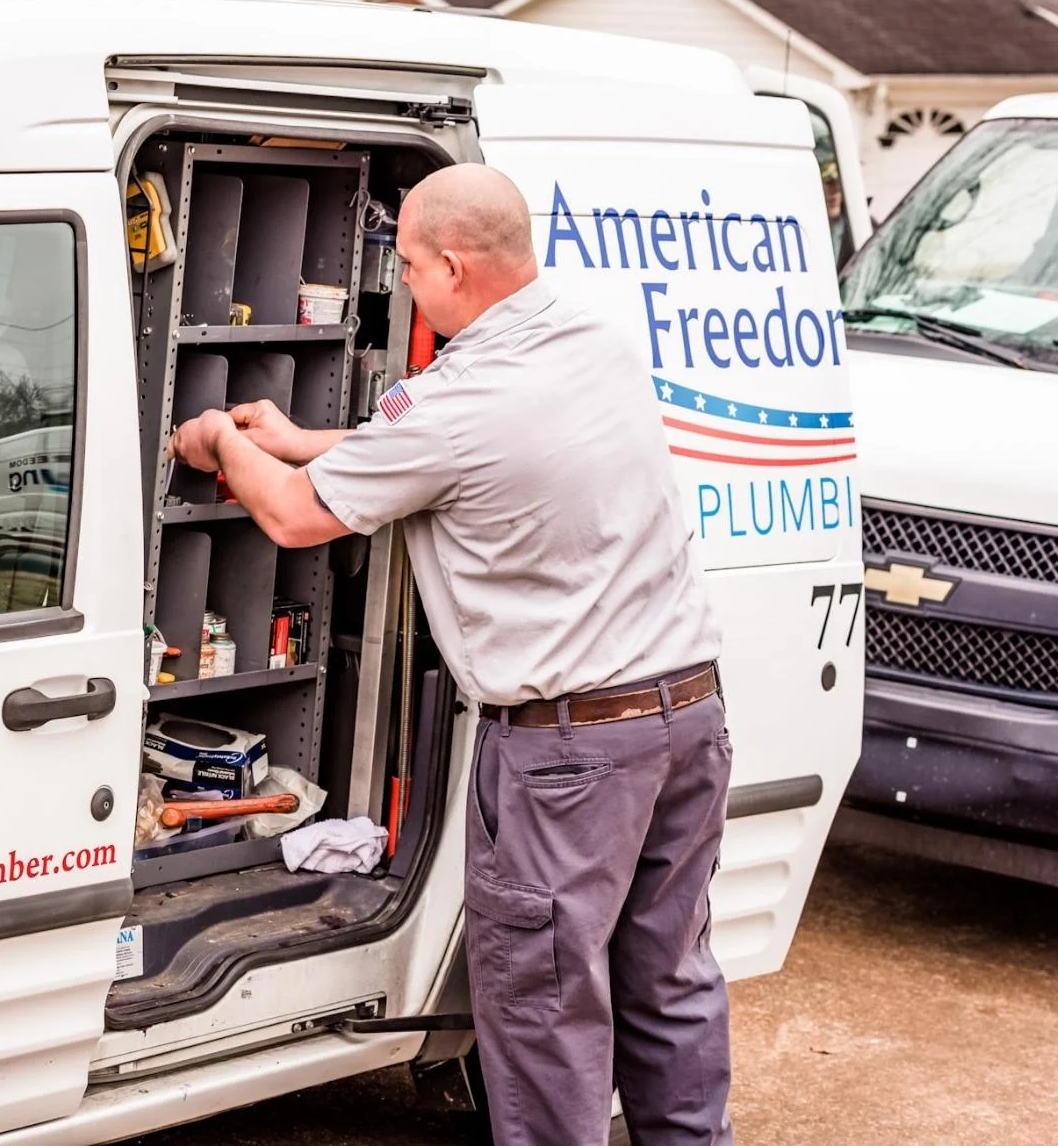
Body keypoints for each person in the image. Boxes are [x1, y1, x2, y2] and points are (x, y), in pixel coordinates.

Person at [169, 163, 734, 1145]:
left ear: (457, 267)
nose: (410, 282)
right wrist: (306, 436)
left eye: (414, 264)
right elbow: (460, 448)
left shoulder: (462, 402)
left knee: (546, 1006)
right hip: (685, 719)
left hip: (570, 757)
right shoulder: (590, 341)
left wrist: (223, 437)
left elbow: (298, 520)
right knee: (669, 978)